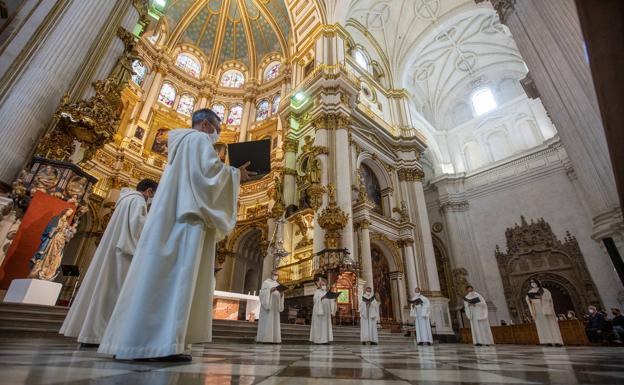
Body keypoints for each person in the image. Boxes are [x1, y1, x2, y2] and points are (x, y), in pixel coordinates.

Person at [98, 109, 254, 362]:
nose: (218, 135)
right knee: (177, 278)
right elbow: (206, 176)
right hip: (186, 220)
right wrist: (236, 174)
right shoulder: (197, 140)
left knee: (158, 277)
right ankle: (161, 344)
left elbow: (200, 174)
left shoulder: (180, 144)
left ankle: (140, 340)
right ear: (205, 124)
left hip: (171, 219)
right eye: (217, 128)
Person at [60, 179, 158, 347]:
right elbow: (138, 228)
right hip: (124, 253)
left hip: (113, 251)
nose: (152, 198)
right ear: (149, 191)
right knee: (115, 294)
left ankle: (90, 334)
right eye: (153, 195)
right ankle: (101, 335)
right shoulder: (138, 201)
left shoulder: (124, 200)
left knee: (102, 291)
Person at [525, 278, 563, 346]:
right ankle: (547, 341)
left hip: (546, 309)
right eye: (531, 283)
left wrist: (540, 298)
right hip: (537, 311)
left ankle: (557, 341)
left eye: (534, 282)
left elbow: (548, 299)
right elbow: (528, 300)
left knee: (551, 325)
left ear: (537, 282)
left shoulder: (544, 290)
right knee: (542, 326)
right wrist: (530, 300)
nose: (533, 283)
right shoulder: (530, 292)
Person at [256, 270, 284, 343]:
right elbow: (262, 293)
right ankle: (265, 339)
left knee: (274, 322)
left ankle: (275, 339)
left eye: (277, 275)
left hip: (275, 307)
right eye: (275, 274)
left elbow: (279, 295)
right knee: (267, 321)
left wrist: (281, 295)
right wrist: (270, 290)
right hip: (268, 306)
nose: (276, 276)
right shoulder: (266, 283)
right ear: (271, 274)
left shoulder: (277, 284)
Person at [309, 277, 335, 344]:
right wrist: (321, 298)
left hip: (326, 312)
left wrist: (333, 300)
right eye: (323, 285)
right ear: (320, 286)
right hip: (319, 312)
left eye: (325, 285)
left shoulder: (327, 292)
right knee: (319, 326)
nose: (324, 286)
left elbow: (330, 302)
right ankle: (318, 340)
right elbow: (315, 300)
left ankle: (325, 340)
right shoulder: (317, 292)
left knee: (325, 326)